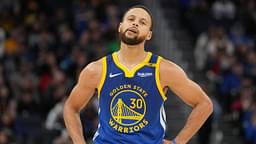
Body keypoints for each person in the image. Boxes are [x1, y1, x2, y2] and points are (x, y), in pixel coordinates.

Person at [63, 5, 213, 144]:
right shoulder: (96, 70)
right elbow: (71, 107)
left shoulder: (164, 69)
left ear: (149, 35)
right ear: (120, 26)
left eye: (142, 22)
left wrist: (178, 142)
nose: (135, 24)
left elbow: (204, 104)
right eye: (131, 19)